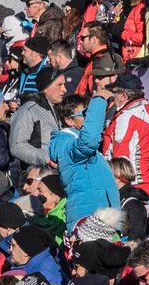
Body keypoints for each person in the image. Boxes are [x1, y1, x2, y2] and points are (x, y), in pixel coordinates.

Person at [48, 95, 118, 230]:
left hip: (99, 218)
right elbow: (89, 140)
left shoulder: (73, 142)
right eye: (86, 114)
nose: (90, 117)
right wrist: (99, 99)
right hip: (89, 219)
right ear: (69, 120)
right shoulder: (65, 143)